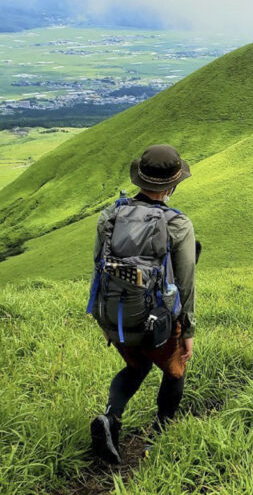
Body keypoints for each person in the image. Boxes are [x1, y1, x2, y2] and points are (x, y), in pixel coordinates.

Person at [89, 144, 197, 464]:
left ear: (139, 179)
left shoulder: (110, 214)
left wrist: (102, 318)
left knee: (137, 364)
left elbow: (99, 267)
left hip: (114, 315)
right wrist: (187, 330)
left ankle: (110, 418)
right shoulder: (178, 224)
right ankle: (157, 440)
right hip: (156, 321)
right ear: (172, 185)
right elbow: (186, 282)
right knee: (176, 371)